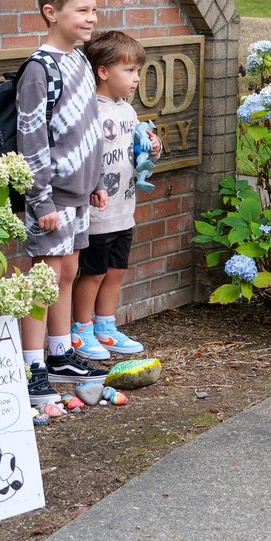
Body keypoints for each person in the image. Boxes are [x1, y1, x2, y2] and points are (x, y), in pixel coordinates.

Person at [20, 0, 109, 407]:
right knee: (44, 278)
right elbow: (32, 137)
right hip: (51, 196)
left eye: (95, 9)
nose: (92, 18)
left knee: (68, 272)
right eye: (83, 10)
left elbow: (87, 127)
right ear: (51, 13)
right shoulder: (40, 69)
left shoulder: (79, 60)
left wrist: (96, 182)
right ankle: (32, 365)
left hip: (78, 193)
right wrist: (40, 200)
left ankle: (60, 353)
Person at [70, 31, 162, 360]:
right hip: (98, 213)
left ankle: (105, 327)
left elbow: (141, 154)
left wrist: (153, 146)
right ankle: (80, 329)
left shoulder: (127, 111)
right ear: (103, 71)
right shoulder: (90, 111)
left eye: (138, 71)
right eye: (129, 71)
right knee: (92, 272)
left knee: (117, 271)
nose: (137, 78)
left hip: (124, 209)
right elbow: (81, 156)